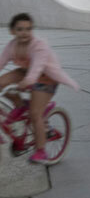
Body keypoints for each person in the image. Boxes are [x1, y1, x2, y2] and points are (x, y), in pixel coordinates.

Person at [0, 14, 79, 164]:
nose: (24, 32)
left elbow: (38, 66)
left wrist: (27, 82)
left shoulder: (39, 45)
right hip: (26, 73)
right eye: (20, 29)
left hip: (46, 79)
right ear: (12, 31)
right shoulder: (12, 46)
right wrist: (25, 80)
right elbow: (1, 62)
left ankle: (41, 151)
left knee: (35, 114)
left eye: (28, 29)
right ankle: (22, 106)